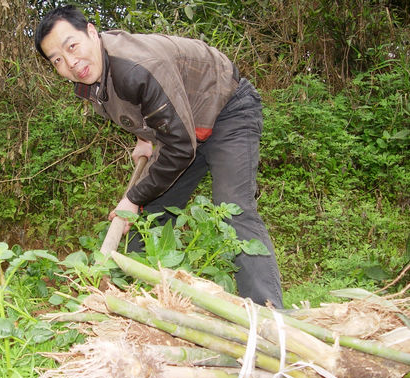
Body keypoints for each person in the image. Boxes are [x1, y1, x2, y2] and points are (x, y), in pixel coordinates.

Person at [34, 6, 283, 308]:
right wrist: (144, 137)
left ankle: (269, 320)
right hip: (183, 128)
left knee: (233, 210)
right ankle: (134, 306)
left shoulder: (136, 66)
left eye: (71, 46)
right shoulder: (93, 78)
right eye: (57, 60)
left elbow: (179, 147)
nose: (71, 63)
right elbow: (142, 106)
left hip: (226, 110)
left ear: (90, 31)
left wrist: (132, 198)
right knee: (149, 213)